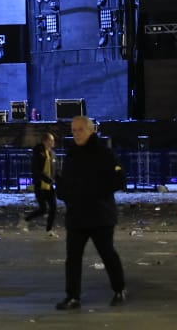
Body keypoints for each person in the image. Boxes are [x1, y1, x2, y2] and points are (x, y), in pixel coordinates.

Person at [54, 116, 127, 309]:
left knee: (107, 253)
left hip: (100, 215)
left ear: (90, 130)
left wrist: (93, 191)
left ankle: (119, 289)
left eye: (80, 130)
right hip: (77, 215)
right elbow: (65, 180)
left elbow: (118, 180)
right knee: (73, 258)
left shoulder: (104, 153)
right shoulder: (71, 155)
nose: (76, 134)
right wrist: (63, 192)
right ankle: (73, 296)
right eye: (73, 130)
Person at [23, 131, 57, 233]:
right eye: (51, 140)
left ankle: (49, 230)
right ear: (45, 141)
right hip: (40, 184)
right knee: (43, 209)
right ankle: (26, 219)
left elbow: (55, 169)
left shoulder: (52, 154)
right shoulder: (39, 152)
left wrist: (58, 179)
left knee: (53, 208)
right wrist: (46, 179)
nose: (53, 142)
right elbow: (37, 169)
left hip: (49, 185)